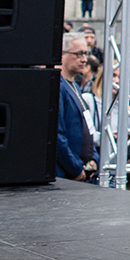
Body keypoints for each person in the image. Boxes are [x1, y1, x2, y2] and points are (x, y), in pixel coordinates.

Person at [56, 32, 97, 182]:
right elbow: (57, 135)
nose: (84, 59)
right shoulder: (58, 87)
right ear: (61, 55)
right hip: (65, 175)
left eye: (86, 54)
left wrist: (93, 159)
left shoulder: (75, 87)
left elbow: (87, 126)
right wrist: (75, 168)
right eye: (78, 54)